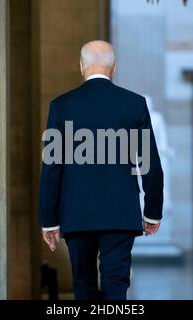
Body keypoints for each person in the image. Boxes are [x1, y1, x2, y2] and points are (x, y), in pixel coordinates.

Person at [39, 40, 164, 301]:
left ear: (81, 67)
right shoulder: (135, 104)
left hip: (77, 214)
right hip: (120, 215)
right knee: (116, 285)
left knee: (83, 286)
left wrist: (49, 219)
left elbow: (52, 168)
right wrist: (152, 212)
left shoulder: (61, 106)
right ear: (114, 68)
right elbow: (149, 163)